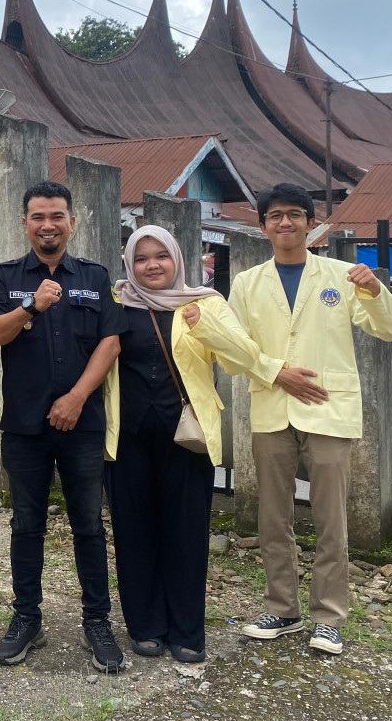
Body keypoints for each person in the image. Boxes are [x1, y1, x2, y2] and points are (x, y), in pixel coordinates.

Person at [231, 183, 392, 656]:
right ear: (262, 225)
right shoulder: (247, 283)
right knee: (273, 516)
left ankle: (329, 617)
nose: (284, 223)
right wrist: (277, 373)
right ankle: (282, 608)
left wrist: (374, 291)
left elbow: (388, 329)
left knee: (331, 518)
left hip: (328, 406)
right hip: (272, 406)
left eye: (294, 215)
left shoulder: (343, 274)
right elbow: (232, 353)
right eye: (275, 216)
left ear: (311, 222)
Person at [104, 225, 273, 664]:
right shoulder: (116, 301)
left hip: (187, 438)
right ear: (129, 264)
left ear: (178, 258)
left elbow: (242, 359)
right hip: (126, 437)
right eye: (141, 259)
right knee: (133, 531)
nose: (152, 265)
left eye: (161, 256)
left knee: (186, 532)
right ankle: (143, 626)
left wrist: (208, 329)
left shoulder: (204, 302)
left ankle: (186, 631)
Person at [0, 181, 125, 672]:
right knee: (26, 526)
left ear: (71, 222)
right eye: (38, 216)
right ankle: (26, 619)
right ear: (25, 223)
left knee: (88, 524)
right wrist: (31, 307)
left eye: (56, 216)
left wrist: (77, 397)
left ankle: (97, 621)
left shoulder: (94, 276)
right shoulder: (5, 278)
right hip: (24, 427)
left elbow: (110, 343)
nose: (48, 225)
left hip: (81, 424)